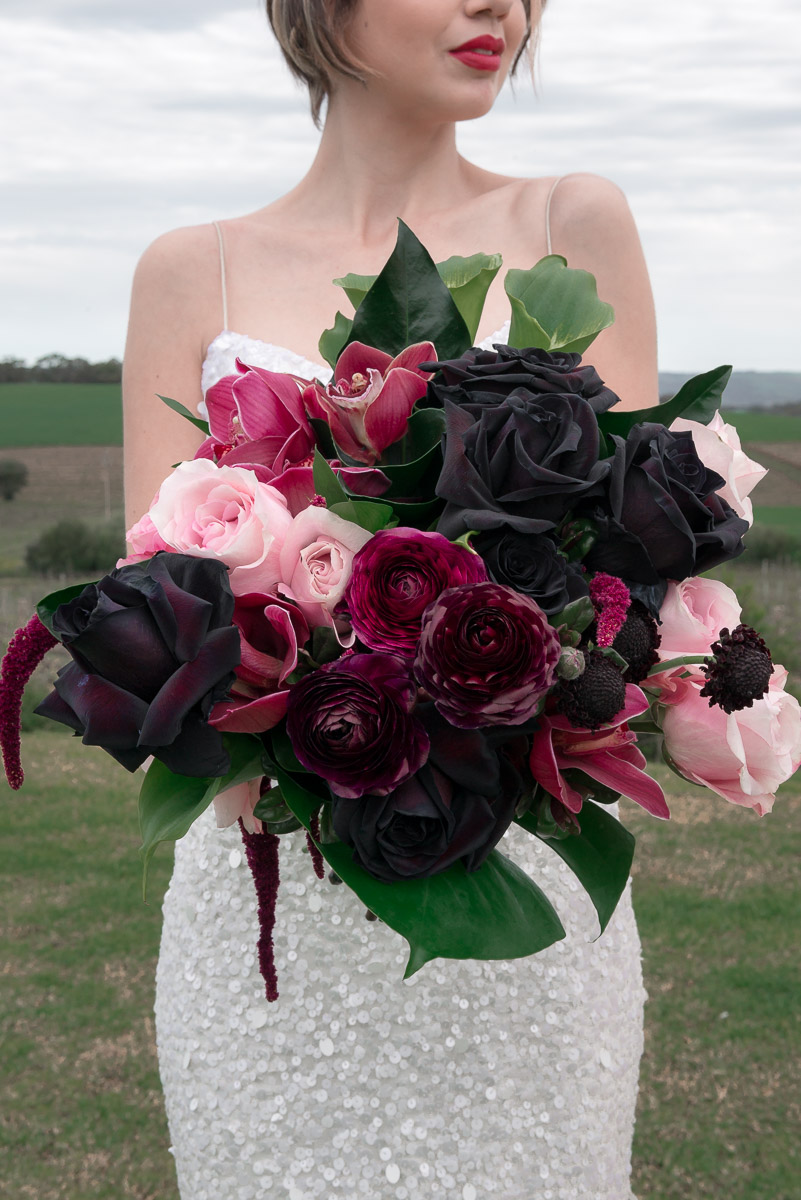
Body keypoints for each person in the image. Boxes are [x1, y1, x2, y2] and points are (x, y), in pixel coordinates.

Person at [123, 2, 658, 1196]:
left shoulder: (573, 223)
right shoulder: (186, 271)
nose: (501, 8)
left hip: (519, 908)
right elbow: (148, 623)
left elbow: (628, 589)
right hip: (266, 922)